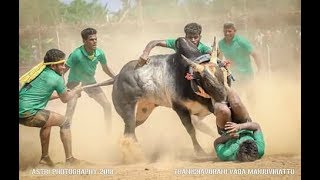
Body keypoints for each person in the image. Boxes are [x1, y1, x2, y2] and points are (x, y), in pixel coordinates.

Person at [19, 49, 83, 166]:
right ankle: (70, 159)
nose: (64, 67)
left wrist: (62, 94)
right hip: (28, 112)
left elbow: (40, 95)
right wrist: (75, 90)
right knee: (65, 122)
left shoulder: (39, 71)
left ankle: (45, 158)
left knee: (47, 123)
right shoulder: (56, 78)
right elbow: (65, 99)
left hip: (22, 110)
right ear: (53, 66)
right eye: (61, 64)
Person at [64, 27, 116, 133]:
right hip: (74, 83)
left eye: (96, 39)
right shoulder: (76, 54)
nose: (95, 41)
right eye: (91, 39)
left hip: (90, 83)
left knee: (107, 105)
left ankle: (109, 133)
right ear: (84, 41)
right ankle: (65, 132)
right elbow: (63, 71)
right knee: (70, 111)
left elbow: (105, 69)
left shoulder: (100, 53)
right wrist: (61, 88)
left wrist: (116, 78)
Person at [218, 22, 262, 100]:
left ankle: (254, 111)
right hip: (232, 75)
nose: (227, 33)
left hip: (246, 73)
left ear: (235, 31)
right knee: (235, 97)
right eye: (225, 31)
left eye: (229, 31)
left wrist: (260, 69)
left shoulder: (241, 41)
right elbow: (219, 59)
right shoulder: (221, 43)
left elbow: (255, 54)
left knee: (250, 96)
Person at [138, 22, 212, 67]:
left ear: (200, 37)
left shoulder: (203, 48)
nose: (193, 40)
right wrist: (145, 54)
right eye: (190, 37)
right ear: (185, 37)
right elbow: (154, 42)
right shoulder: (179, 43)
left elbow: (211, 53)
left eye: (195, 37)